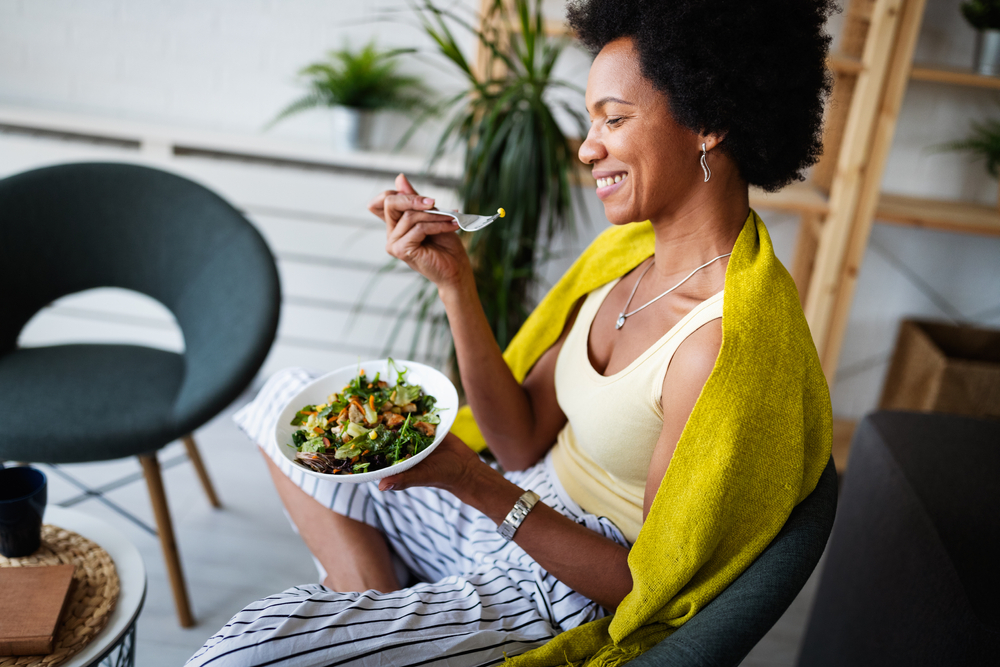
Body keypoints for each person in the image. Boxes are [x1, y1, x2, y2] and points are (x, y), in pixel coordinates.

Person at [188, 0, 835, 665]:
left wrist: (473, 481)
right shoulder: (626, 261)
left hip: (561, 581)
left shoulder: (719, 347)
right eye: (592, 121)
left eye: (614, 119)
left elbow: (644, 587)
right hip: (508, 505)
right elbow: (520, 438)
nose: (588, 148)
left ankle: (373, 627)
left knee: (241, 652)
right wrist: (454, 283)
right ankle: (374, 609)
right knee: (283, 402)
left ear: (709, 122)